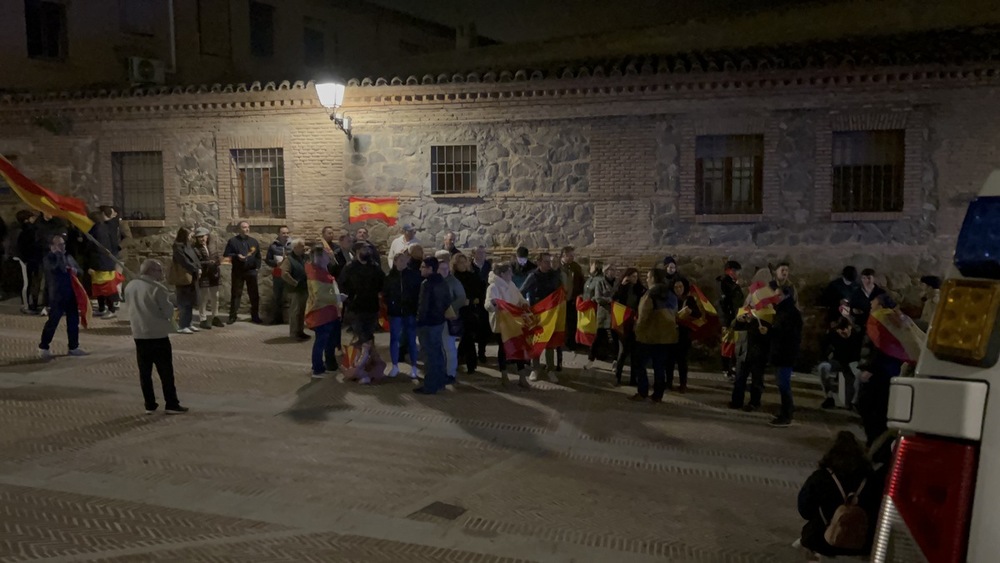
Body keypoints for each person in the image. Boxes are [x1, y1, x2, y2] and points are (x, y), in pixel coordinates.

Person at [797, 431, 879, 558]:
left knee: (807, 538)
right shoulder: (872, 480)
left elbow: (805, 511)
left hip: (822, 541)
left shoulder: (821, 477)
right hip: (860, 544)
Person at [124, 259, 187, 415]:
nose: (162, 273)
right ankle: (171, 403)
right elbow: (167, 312)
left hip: (139, 333)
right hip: (157, 334)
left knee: (145, 372)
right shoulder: (157, 288)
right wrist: (172, 306)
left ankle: (149, 404)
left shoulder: (130, 286)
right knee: (166, 372)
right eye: (159, 270)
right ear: (150, 271)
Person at [858, 294, 908, 447]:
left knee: (871, 409)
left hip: (880, 372)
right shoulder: (891, 321)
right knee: (878, 410)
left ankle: (875, 444)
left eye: (873, 303)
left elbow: (881, 349)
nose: (871, 304)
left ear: (880, 306)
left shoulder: (882, 321)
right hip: (888, 371)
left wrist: (870, 369)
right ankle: (877, 444)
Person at [629, 269, 677, 402]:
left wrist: (637, 330)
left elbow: (644, 315)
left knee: (639, 363)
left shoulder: (650, 294)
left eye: (649, 277)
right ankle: (657, 395)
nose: (647, 279)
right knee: (659, 366)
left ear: (654, 279)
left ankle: (642, 391)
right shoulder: (671, 294)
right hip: (666, 336)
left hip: (649, 335)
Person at [37, 235, 87, 359]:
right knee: (52, 322)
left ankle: (73, 346)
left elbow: (80, 271)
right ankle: (44, 347)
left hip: (71, 294)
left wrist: (75, 270)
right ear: (52, 247)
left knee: (73, 322)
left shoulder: (68, 257)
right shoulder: (48, 259)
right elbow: (56, 269)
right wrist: (59, 256)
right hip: (57, 296)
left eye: (63, 244)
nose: (62, 247)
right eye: (59, 245)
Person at [485, 263, 531, 388]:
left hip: (514, 321)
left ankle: (522, 376)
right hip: (503, 322)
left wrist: (523, 303)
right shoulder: (493, 287)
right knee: (503, 349)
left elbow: (519, 297)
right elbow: (488, 305)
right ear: (502, 274)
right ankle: (504, 375)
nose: (512, 274)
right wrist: (494, 304)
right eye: (509, 272)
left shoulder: (511, 285)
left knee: (519, 347)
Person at [520, 252, 562, 382]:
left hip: (550, 314)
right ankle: (535, 368)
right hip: (537, 313)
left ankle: (550, 369)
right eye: (546, 261)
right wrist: (525, 306)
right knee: (536, 341)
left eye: (549, 261)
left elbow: (559, 291)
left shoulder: (554, 275)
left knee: (550, 342)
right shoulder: (533, 276)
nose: (548, 264)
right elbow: (522, 291)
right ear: (539, 262)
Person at [415, 256, 451, 395]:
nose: (420, 269)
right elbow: (447, 301)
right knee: (438, 352)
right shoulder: (442, 282)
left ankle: (430, 385)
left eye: (423, 267)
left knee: (429, 355)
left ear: (430, 269)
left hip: (428, 323)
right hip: (439, 321)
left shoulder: (426, 284)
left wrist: (419, 321)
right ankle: (440, 381)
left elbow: (423, 306)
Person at [305, 246, 342, 378]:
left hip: (330, 311)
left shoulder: (322, 271)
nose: (329, 256)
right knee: (321, 342)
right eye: (327, 255)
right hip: (321, 312)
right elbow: (320, 295)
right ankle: (317, 369)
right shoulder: (315, 274)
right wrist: (338, 298)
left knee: (329, 342)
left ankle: (328, 365)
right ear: (320, 257)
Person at [768, 286, 803, 427]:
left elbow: (787, 333)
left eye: (778, 295)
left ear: (785, 295)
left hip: (785, 354)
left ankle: (787, 415)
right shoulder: (783, 310)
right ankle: (784, 411)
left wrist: (771, 331)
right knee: (781, 384)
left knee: (784, 385)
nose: (775, 298)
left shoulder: (789, 312)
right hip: (781, 353)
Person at [384, 251, 421, 379]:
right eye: (400, 260)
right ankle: (395, 366)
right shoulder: (389, 278)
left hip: (409, 311)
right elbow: (386, 294)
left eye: (405, 260)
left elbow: (417, 293)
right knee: (394, 339)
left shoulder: (414, 276)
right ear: (395, 262)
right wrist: (391, 304)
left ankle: (414, 366)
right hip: (395, 313)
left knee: (411, 339)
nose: (403, 263)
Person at [338, 243, 385, 345]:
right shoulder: (350, 267)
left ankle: (368, 357)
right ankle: (358, 357)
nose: (367, 251)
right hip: (356, 307)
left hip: (372, 306)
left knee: (369, 334)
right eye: (364, 249)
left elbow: (382, 282)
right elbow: (342, 284)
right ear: (357, 251)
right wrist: (348, 298)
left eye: (368, 249)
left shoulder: (374, 267)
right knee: (360, 334)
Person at [436, 249, 468, 384]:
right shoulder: (434, 281)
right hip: (435, 319)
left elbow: (461, 298)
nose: (443, 271)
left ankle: (450, 373)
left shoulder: (454, 282)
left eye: (445, 269)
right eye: (440, 269)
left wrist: (449, 309)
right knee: (438, 347)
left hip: (448, 319)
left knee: (449, 347)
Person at [817, 317, 863, 410]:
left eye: (846, 329)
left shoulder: (857, 335)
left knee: (858, 377)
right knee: (823, 367)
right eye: (841, 330)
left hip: (852, 362)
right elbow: (823, 346)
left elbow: (859, 353)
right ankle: (829, 397)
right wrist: (826, 357)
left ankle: (853, 402)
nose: (844, 332)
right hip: (837, 361)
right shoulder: (833, 334)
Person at [223, 221, 262, 324]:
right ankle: (232, 316)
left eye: (248, 227)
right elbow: (226, 254)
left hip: (251, 271)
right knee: (236, 294)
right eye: (244, 227)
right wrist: (236, 256)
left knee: (254, 295)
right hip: (238, 271)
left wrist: (257, 267)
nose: (247, 229)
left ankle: (255, 316)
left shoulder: (254, 241)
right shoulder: (232, 241)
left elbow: (258, 256)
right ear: (239, 229)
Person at [612, 268, 645, 385]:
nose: (634, 278)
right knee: (623, 351)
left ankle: (633, 379)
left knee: (635, 353)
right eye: (632, 276)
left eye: (636, 276)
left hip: (635, 323)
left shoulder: (640, 289)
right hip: (623, 323)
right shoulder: (622, 288)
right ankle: (618, 377)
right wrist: (621, 286)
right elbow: (614, 299)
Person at [453, 253, 483, 375]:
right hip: (459, 310)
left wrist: (473, 300)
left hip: (471, 310)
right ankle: (471, 363)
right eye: (460, 262)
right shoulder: (454, 278)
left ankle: (460, 358)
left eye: (464, 261)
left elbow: (479, 291)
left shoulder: (472, 276)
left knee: (467, 336)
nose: (463, 264)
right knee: (467, 336)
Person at [87, 210, 121, 318]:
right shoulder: (104, 228)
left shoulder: (96, 230)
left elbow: (94, 249)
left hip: (101, 264)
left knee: (105, 288)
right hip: (105, 263)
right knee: (99, 287)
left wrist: (91, 265)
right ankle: (102, 308)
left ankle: (110, 309)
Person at [582, 261, 616, 369]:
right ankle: (590, 360)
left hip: (615, 315)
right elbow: (598, 298)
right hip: (604, 314)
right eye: (610, 270)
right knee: (598, 338)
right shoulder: (600, 282)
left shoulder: (617, 283)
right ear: (606, 272)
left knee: (614, 339)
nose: (613, 272)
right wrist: (609, 300)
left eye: (614, 270)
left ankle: (615, 362)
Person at [672, 276, 702, 393]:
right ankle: (668, 382)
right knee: (670, 359)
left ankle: (683, 384)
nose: (678, 289)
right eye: (676, 287)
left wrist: (691, 312)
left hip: (684, 333)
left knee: (682, 360)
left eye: (680, 287)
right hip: (671, 332)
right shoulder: (671, 298)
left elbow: (698, 314)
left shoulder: (688, 299)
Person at [169, 227, 201, 334]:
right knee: (184, 302)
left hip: (192, 276)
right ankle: (182, 325)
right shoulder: (178, 247)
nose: (191, 235)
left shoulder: (189, 245)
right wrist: (195, 268)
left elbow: (195, 258)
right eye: (190, 233)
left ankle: (189, 323)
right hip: (184, 277)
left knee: (190, 302)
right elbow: (183, 261)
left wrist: (198, 268)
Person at [558, 246, 585, 365]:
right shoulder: (557, 268)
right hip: (559, 300)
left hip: (572, 298)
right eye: (570, 255)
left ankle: (571, 343)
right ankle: (559, 342)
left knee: (571, 321)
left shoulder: (575, 267)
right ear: (563, 255)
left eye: (573, 255)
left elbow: (581, 281)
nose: (572, 257)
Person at [717, 260, 744, 380]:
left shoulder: (732, 284)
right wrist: (729, 317)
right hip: (729, 319)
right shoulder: (725, 283)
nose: (738, 274)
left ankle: (732, 367)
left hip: (734, 317)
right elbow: (725, 302)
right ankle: (726, 368)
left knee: (733, 343)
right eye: (737, 271)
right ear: (731, 271)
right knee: (728, 344)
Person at [192, 228, 223, 330]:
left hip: (214, 273)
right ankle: (203, 318)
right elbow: (196, 262)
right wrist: (208, 263)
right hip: (204, 275)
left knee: (215, 296)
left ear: (207, 236)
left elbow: (217, 257)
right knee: (203, 297)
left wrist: (217, 262)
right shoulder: (195, 248)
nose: (202, 239)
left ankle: (215, 316)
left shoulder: (212, 245)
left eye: (203, 236)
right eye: (199, 237)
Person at [280, 238, 310, 340]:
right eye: (302, 246)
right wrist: (294, 283)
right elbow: (284, 273)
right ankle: (294, 333)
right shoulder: (289, 259)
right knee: (295, 312)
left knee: (301, 312)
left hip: (303, 289)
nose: (304, 248)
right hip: (294, 290)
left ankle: (300, 331)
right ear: (295, 247)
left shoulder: (303, 258)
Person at [264, 226, 292, 326]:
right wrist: (276, 264)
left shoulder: (292, 245)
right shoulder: (273, 246)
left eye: (287, 233)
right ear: (279, 234)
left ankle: (291, 319)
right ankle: (277, 319)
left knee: (291, 297)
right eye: (284, 233)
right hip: (278, 273)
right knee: (277, 297)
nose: (286, 235)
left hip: (290, 274)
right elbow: (268, 260)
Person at [16, 210, 42, 314]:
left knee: (31, 282)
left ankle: (30, 304)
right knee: (30, 282)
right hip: (30, 259)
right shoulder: (29, 230)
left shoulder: (26, 230)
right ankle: (29, 305)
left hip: (29, 259)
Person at [471, 245, 493, 362]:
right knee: (474, 328)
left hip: (485, 299)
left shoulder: (488, 266)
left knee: (484, 327)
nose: (481, 255)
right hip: (474, 301)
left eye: (483, 253)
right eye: (479, 253)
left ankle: (482, 352)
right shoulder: (470, 267)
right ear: (474, 254)